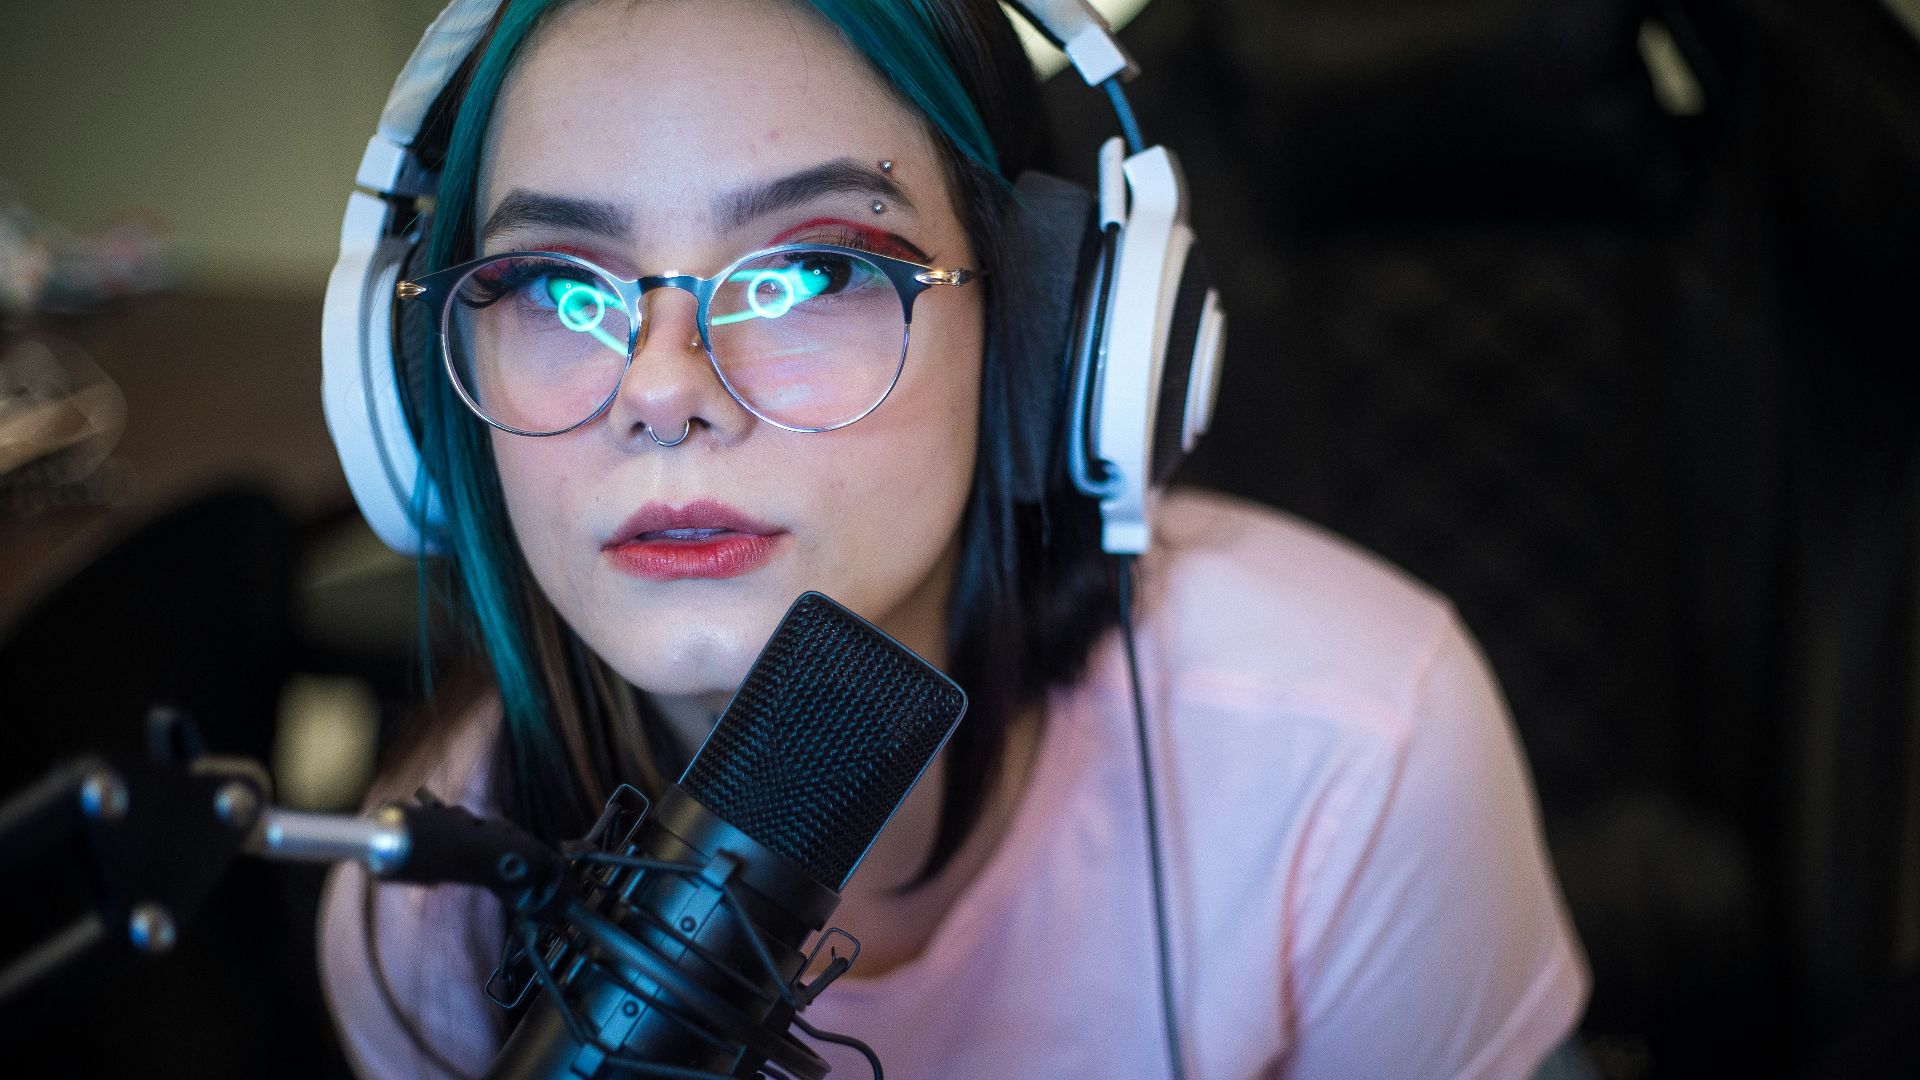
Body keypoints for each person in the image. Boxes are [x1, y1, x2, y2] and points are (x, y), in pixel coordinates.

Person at [317, 0, 1592, 1076]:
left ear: (1049, 337)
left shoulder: (1355, 758)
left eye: (814, 268)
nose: (663, 388)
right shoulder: (427, 906)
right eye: (553, 283)